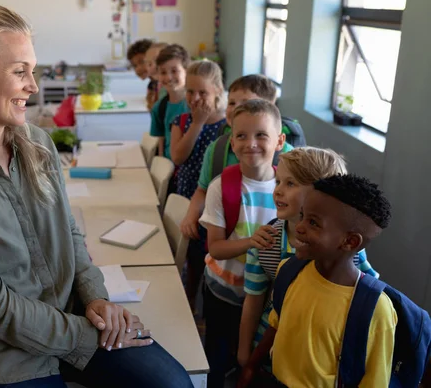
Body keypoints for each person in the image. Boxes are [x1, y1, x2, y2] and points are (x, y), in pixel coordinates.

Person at [0, 1, 192, 388]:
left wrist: (96, 299)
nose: (33, 86)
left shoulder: (37, 144)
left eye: (32, 70)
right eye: (19, 72)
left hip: (68, 316)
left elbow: (69, 233)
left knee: (171, 383)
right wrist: (91, 334)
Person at [238, 174, 396, 387]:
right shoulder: (289, 270)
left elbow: (375, 380)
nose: (300, 227)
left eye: (313, 222)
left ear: (349, 241)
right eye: (303, 215)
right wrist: (251, 367)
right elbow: (276, 324)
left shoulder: (375, 309)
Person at [199, 99, 285, 388]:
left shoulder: (287, 190)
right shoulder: (221, 187)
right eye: (241, 136)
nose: (251, 143)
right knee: (217, 356)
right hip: (223, 291)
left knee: (250, 359)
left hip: (264, 298)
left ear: (280, 140)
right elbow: (215, 247)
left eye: (261, 134)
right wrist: (251, 241)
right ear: (232, 143)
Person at [169, 60, 226, 306]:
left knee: (210, 257)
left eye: (203, 92)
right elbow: (178, 156)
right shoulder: (181, 122)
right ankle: (190, 302)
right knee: (192, 255)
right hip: (187, 198)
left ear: (217, 92)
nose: (195, 98)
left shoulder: (227, 127)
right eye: (190, 91)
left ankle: (210, 301)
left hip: (215, 203)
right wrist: (198, 123)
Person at [150, 44, 191, 159]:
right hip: (170, 169)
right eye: (163, 72)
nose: (168, 77)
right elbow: (161, 141)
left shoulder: (195, 104)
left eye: (174, 71)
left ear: (186, 71)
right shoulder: (159, 108)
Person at [145, 42, 168, 110]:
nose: (150, 65)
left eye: (155, 60)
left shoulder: (170, 87)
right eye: (147, 62)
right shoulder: (153, 85)